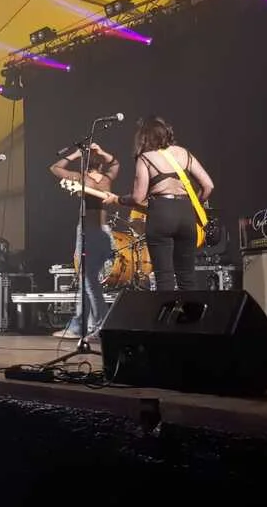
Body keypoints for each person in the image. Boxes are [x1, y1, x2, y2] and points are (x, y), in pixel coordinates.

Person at [106, 116, 213, 291]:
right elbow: (208, 185)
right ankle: (192, 309)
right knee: (187, 276)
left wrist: (117, 199)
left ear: (144, 137)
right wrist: (193, 206)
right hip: (186, 213)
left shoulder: (146, 158)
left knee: (164, 277)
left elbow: (138, 197)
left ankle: (167, 309)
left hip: (161, 212)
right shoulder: (184, 153)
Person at [49, 142, 120, 339]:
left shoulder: (81, 178)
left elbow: (54, 168)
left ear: (84, 162)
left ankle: (101, 326)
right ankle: (79, 325)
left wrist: (75, 154)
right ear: (101, 163)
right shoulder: (106, 179)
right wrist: (102, 151)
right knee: (85, 281)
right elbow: (116, 163)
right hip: (104, 233)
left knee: (89, 283)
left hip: (89, 233)